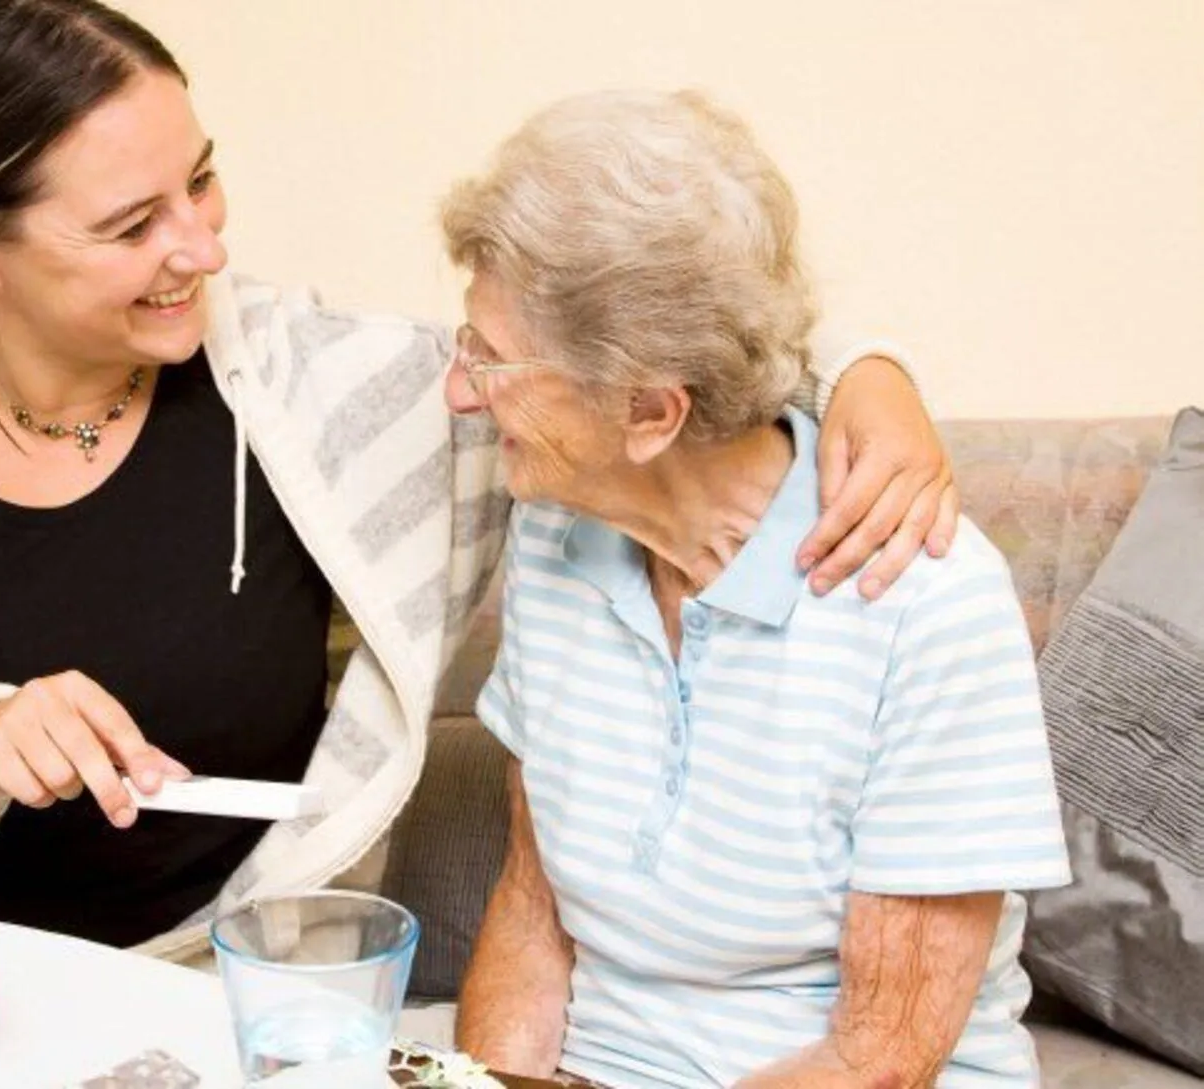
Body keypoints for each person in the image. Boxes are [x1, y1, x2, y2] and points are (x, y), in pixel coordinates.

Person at [0, 0, 956, 957]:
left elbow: (632, 356)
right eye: (130, 226)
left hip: (230, 992)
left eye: (200, 181)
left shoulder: (333, 392)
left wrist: (864, 373)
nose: (201, 247)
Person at [443, 90, 1070, 1087]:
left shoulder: (925, 602)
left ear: (650, 413)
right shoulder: (554, 531)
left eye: (490, 358)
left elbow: (879, 1058)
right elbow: (532, 910)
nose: (458, 391)